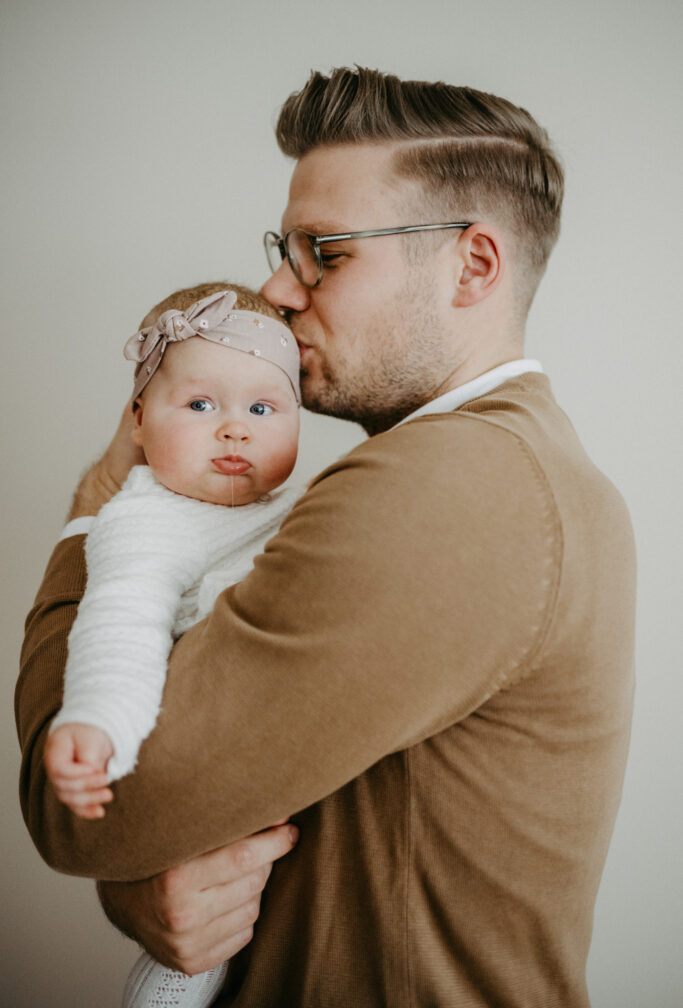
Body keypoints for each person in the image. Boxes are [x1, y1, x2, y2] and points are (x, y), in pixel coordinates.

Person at [17, 67, 636, 1007]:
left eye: (326, 253)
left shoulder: (445, 485)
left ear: (474, 264)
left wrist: (102, 503)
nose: (277, 286)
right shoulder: (528, 466)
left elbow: (93, 815)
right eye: (284, 247)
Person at [42, 281, 302, 1008]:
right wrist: (95, 726)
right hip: (192, 757)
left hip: (279, 756)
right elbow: (120, 622)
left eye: (262, 408)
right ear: (137, 419)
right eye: (199, 405)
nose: (234, 429)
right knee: (197, 939)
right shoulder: (144, 519)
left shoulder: (306, 510)